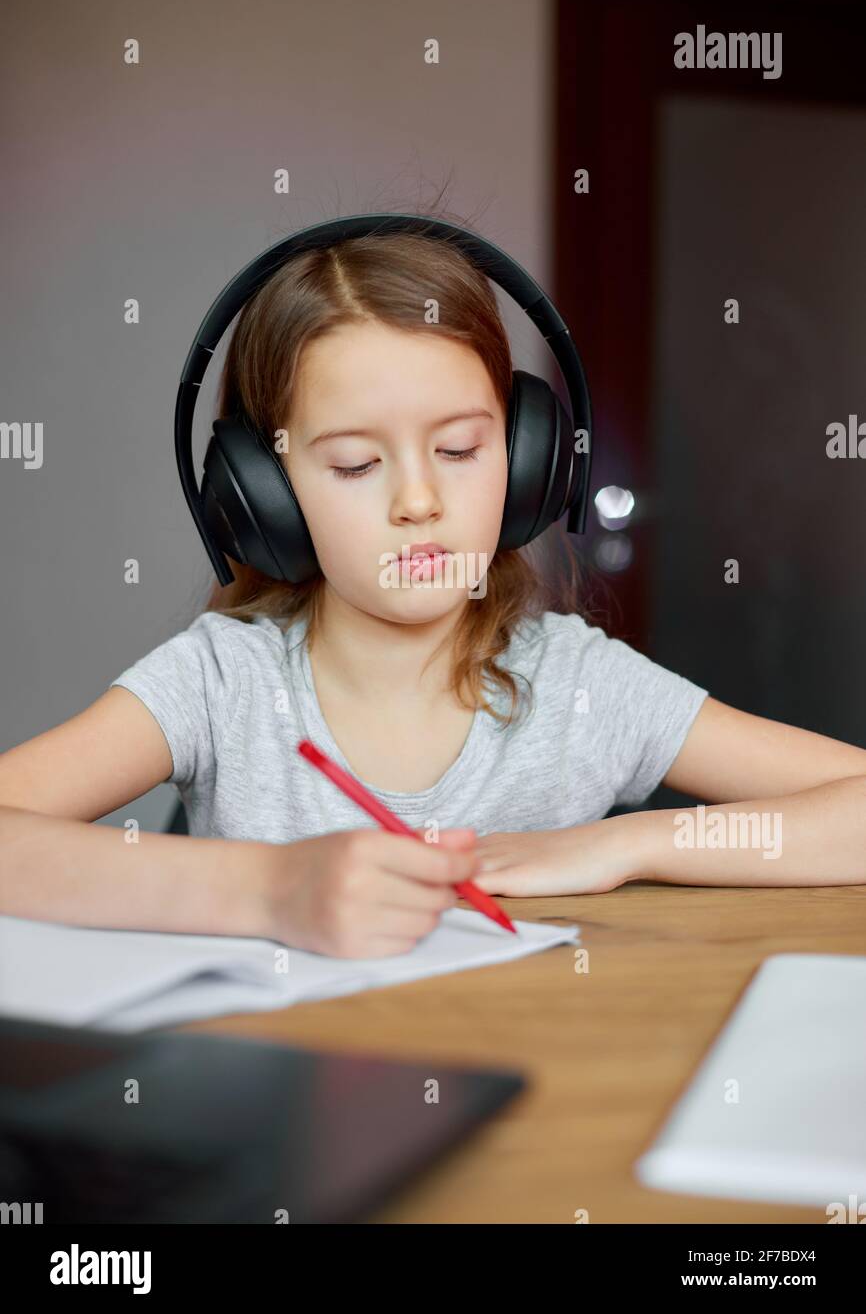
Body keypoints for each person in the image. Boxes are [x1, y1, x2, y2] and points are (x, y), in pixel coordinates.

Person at [2, 222, 865, 958]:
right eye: (355, 464)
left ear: (529, 462)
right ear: (264, 496)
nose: (419, 501)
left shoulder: (580, 689)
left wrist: (624, 845)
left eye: (458, 450)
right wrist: (269, 888)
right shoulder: (221, 684)